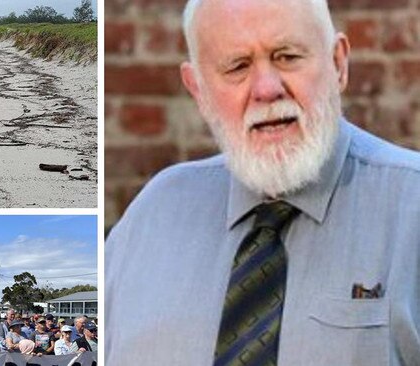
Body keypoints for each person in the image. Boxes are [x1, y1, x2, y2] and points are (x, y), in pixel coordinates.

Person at [105, 0, 420, 365]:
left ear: (338, 63)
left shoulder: (412, 208)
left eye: (287, 56)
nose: (267, 89)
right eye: (237, 67)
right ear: (199, 91)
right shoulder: (151, 219)